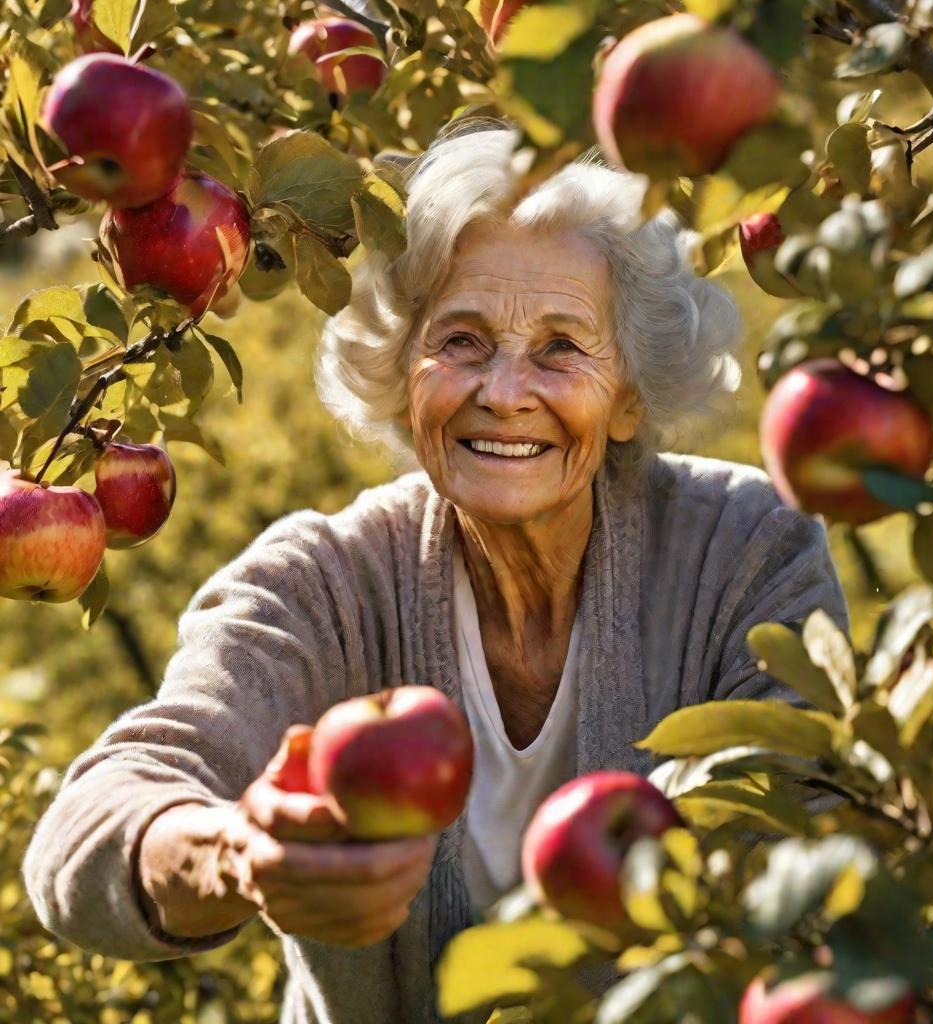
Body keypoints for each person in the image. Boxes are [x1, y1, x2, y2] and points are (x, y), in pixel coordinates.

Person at [22, 120, 848, 1024]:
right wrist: (236, 853)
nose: (501, 390)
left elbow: (806, 831)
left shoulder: (748, 551)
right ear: (401, 368)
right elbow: (87, 835)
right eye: (461, 340)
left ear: (629, 398)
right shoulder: (324, 585)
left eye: (562, 347)